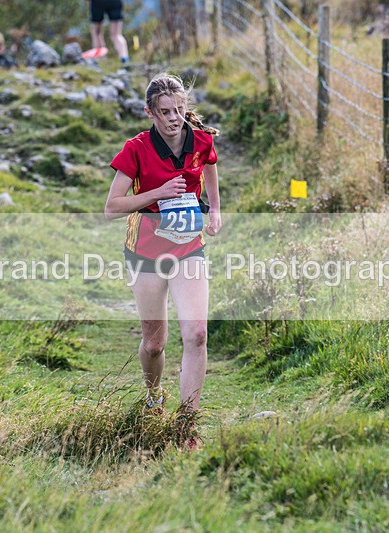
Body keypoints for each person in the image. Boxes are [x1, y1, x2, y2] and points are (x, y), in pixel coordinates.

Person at [105, 73, 221, 447]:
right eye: (166, 112)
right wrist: (156, 192)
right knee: (155, 344)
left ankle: (186, 426)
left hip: (189, 248)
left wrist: (215, 210)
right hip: (146, 254)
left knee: (197, 334)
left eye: (180, 109)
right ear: (150, 113)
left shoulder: (200, 140)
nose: (175, 118)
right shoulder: (135, 149)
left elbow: (211, 167)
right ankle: (154, 397)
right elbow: (111, 208)